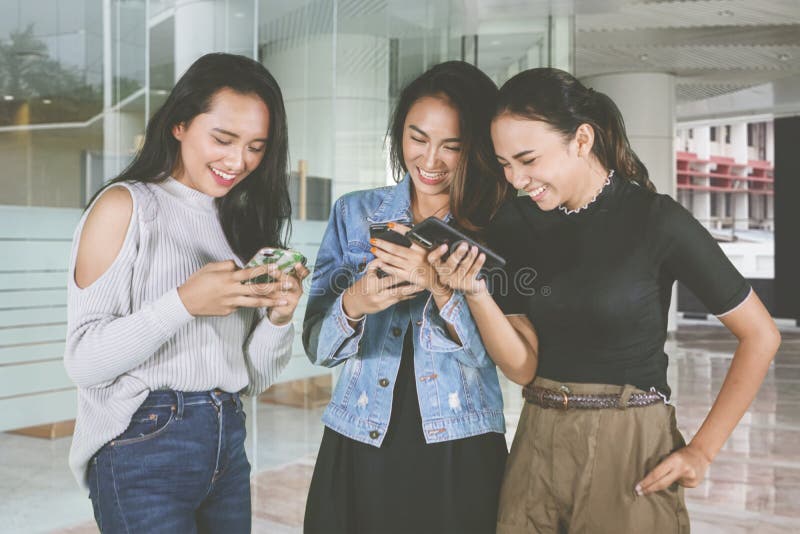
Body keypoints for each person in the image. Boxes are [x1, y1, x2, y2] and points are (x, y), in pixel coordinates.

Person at [428, 67, 781, 533]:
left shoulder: (657, 221)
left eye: (528, 159)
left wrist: (703, 450)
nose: (515, 178)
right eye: (505, 163)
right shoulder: (514, 223)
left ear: (581, 139)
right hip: (536, 441)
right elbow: (522, 366)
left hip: (630, 448)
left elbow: (761, 335)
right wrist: (474, 292)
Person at [63, 53, 308, 533]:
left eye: (257, 146)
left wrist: (279, 320)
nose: (238, 161)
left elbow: (251, 379)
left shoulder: (238, 223)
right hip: (142, 446)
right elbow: (84, 362)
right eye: (223, 139)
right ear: (178, 124)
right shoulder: (126, 206)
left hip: (226, 440)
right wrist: (183, 304)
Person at [302, 61, 511, 534]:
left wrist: (438, 286)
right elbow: (316, 346)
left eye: (451, 146)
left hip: (460, 442)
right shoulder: (354, 214)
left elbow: (493, 355)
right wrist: (356, 302)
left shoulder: (497, 225)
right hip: (359, 433)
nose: (431, 160)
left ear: (474, 147)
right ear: (400, 134)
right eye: (418, 139)